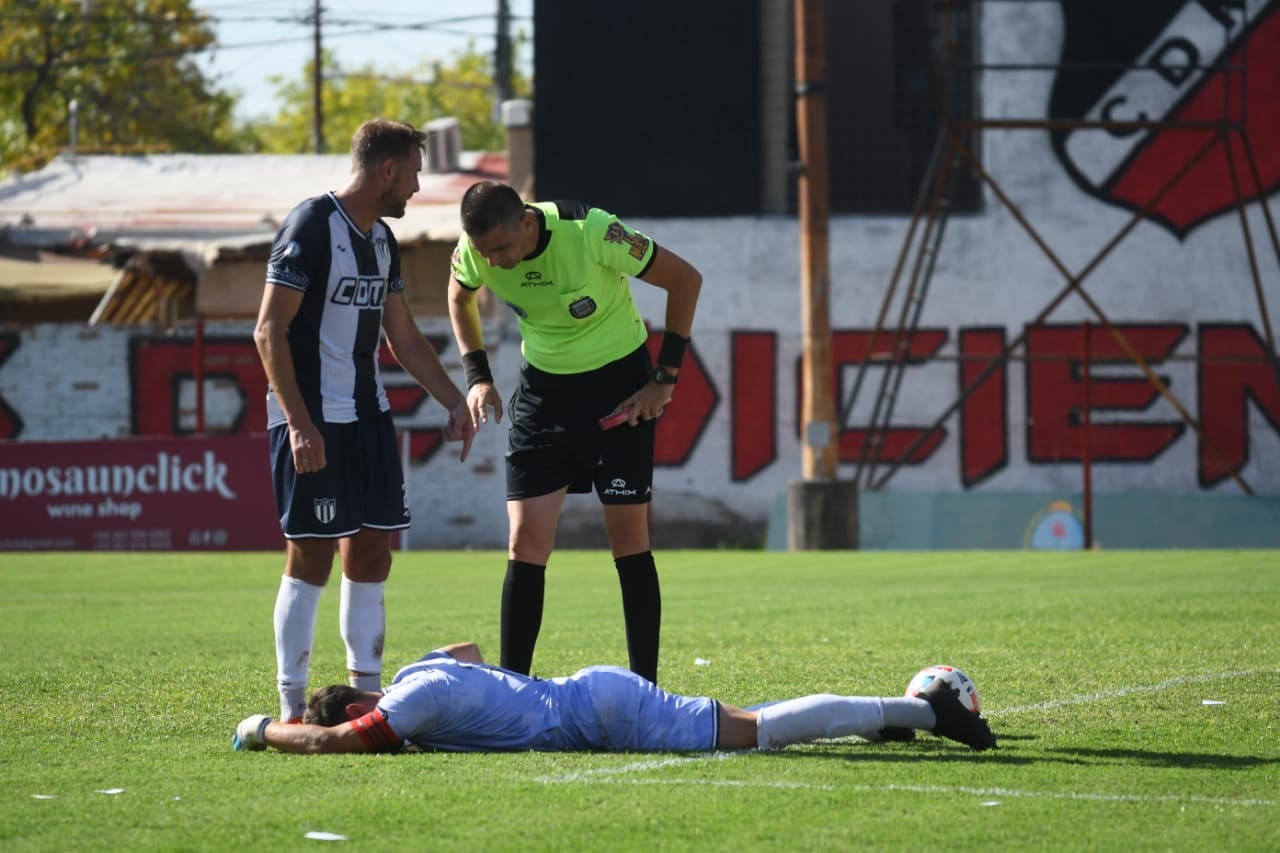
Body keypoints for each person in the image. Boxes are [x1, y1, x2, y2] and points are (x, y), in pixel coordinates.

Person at [253, 118, 476, 723]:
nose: (416, 186)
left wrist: (453, 400)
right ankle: (293, 707)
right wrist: (300, 424)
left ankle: (366, 697)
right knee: (313, 555)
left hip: (369, 418)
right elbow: (268, 329)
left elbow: (401, 335)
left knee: (374, 552)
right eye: (414, 172)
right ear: (387, 170)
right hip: (315, 419)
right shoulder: (311, 226)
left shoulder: (382, 239)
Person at [446, 180, 703, 684]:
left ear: (525, 222)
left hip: (620, 393)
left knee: (628, 538)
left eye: (500, 249)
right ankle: (513, 690)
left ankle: (644, 691)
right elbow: (459, 297)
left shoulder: (594, 233)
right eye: (483, 251)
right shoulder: (474, 250)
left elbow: (685, 280)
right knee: (524, 541)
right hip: (544, 397)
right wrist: (477, 378)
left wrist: (664, 381)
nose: (493, 262)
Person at [232, 642, 998, 754]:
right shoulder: (421, 672)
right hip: (589, 692)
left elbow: (335, 742)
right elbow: (467, 651)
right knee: (751, 721)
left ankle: (928, 708)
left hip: (597, 713)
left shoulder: (408, 710)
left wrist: (263, 727)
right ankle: (890, 721)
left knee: (760, 729)